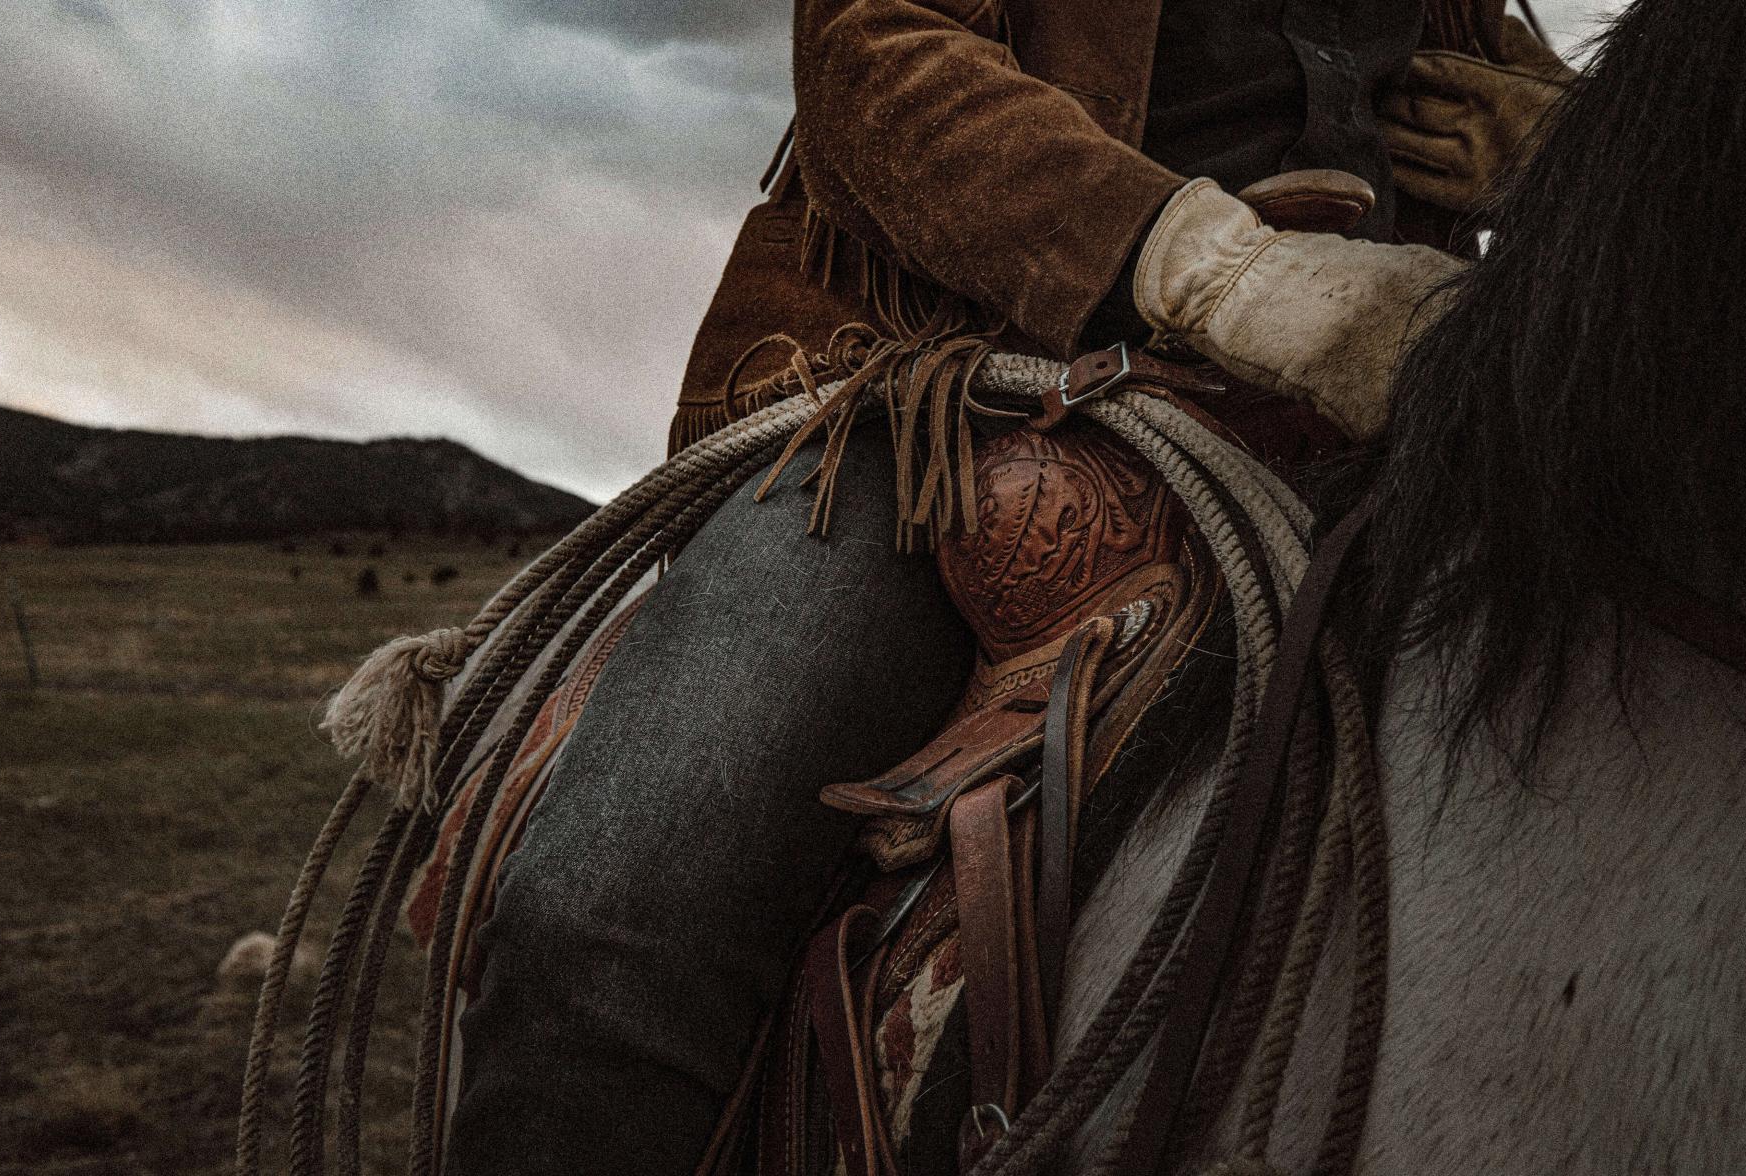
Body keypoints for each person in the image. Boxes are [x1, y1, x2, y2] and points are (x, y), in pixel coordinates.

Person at [445, 2, 1573, 1172]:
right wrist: (1212, 270)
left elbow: (1625, 137)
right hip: (955, 398)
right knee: (608, 923)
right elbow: (872, 54)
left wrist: (1568, 161)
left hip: (1396, 431)